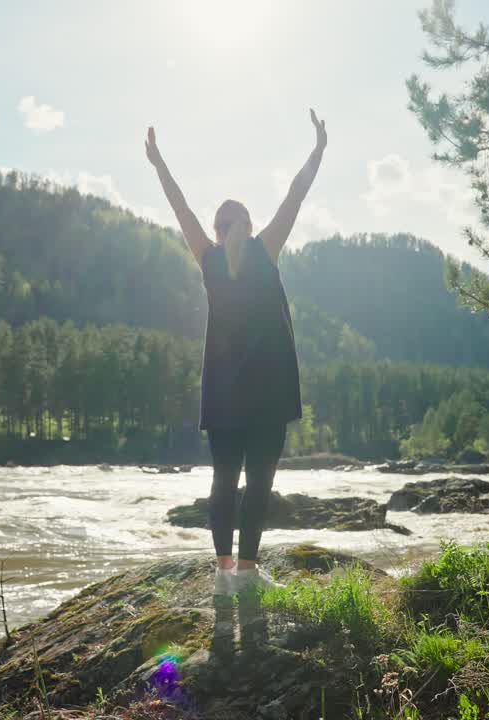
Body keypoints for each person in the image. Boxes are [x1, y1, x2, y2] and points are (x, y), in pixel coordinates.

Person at [145, 109, 326, 630]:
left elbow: (294, 197)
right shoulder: (212, 258)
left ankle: (243, 569)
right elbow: (179, 206)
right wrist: (158, 163)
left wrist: (317, 153)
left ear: (247, 226)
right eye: (225, 222)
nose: (230, 228)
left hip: (260, 394)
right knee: (226, 482)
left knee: (258, 482)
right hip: (233, 395)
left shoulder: (262, 251)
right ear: (225, 230)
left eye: (236, 220)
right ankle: (227, 570)